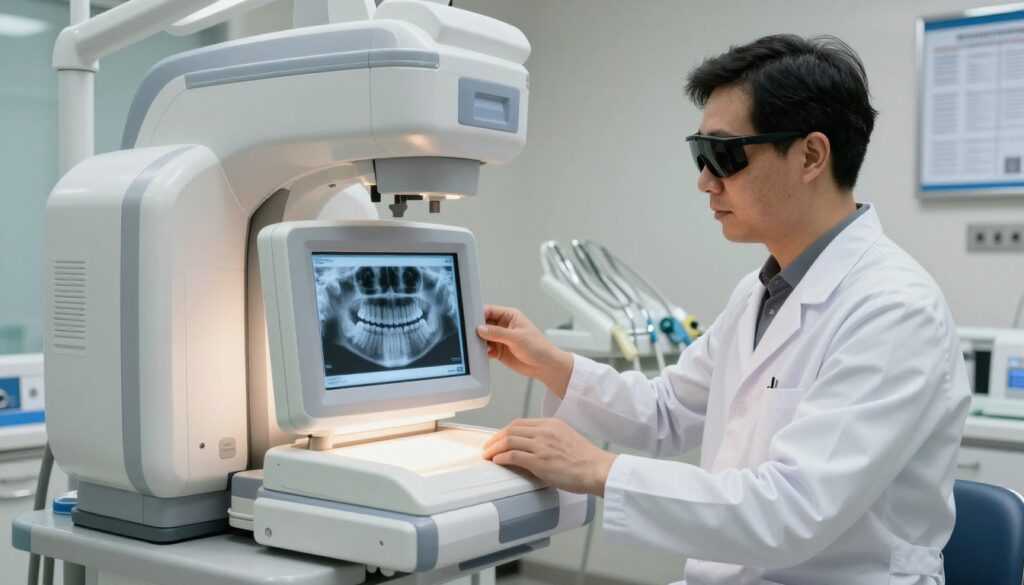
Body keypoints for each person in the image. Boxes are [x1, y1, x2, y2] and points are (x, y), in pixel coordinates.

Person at [477, 34, 970, 585]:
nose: (704, 180)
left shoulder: (893, 311)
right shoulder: (760, 293)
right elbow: (667, 412)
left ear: (811, 155)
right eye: (699, 153)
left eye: (724, 155)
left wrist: (599, 469)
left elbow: (790, 512)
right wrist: (549, 361)